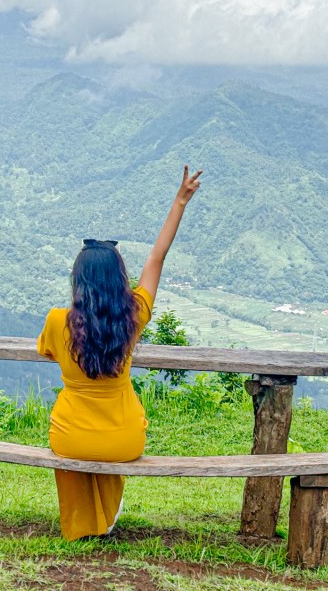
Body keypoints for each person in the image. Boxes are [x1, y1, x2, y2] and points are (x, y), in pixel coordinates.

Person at [36, 164, 203, 540]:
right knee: (110, 446)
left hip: (70, 435)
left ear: (78, 281)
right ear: (118, 279)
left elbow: (50, 353)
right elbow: (156, 259)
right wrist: (179, 201)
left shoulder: (56, 321)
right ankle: (107, 515)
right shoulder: (134, 316)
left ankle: (84, 522)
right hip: (124, 439)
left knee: (75, 446)